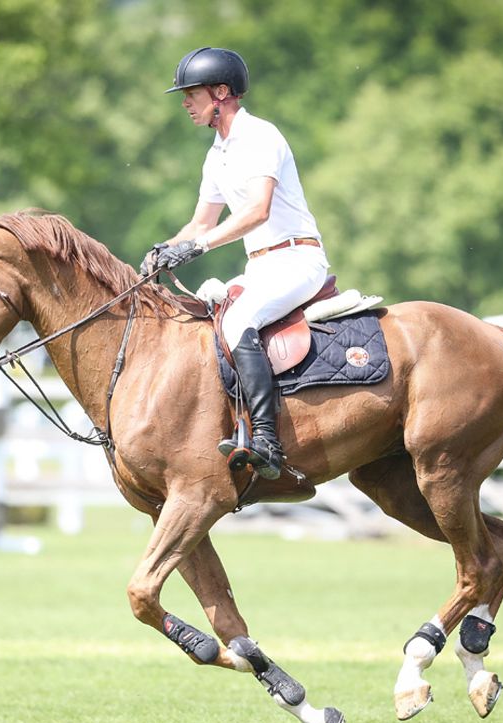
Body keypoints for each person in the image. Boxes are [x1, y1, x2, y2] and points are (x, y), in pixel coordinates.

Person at [143, 46, 330, 481]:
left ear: (221, 92)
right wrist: (162, 250)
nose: (185, 103)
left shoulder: (261, 136)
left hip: (297, 258)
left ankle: (266, 440)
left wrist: (199, 247)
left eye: (191, 93)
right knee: (209, 325)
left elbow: (257, 212)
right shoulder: (217, 153)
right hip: (262, 267)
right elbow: (199, 222)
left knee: (237, 321)